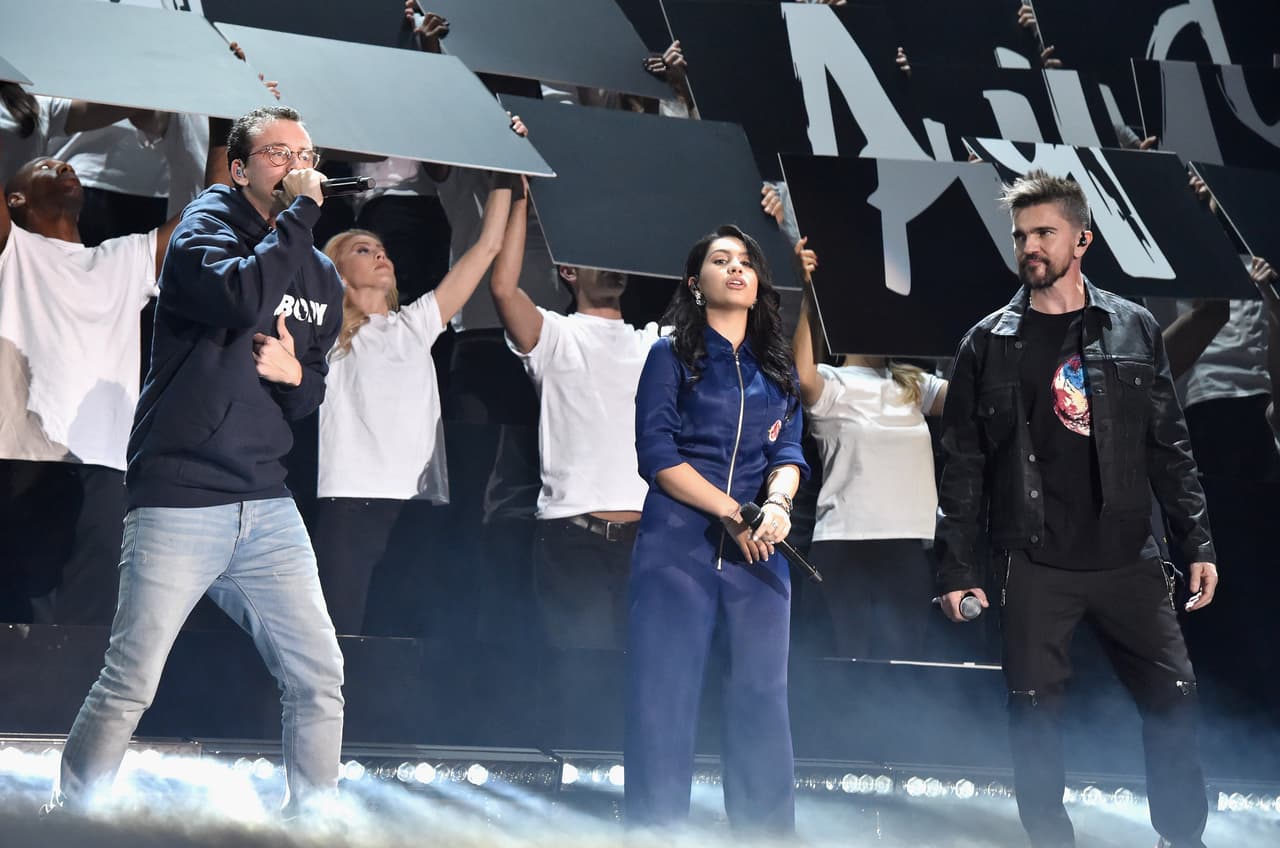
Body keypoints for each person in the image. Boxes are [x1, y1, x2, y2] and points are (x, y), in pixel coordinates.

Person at [51, 105, 345, 815]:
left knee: (318, 676)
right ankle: (74, 819)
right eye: (279, 154)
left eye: (305, 155)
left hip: (267, 504)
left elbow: (312, 393)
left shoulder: (322, 276)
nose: (297, 165)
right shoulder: (203, 229)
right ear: (240, 170)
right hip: (181, 495)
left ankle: (312, 824)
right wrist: (300, 215)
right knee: (131, 680)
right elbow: (240, 295)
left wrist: (295, 377)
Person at [936, 170, 1218, 848]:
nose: (1029, 247)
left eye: (1044, 233)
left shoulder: (1134, 327)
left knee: (1174, 697)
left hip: (1127, 553)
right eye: (1021, 236)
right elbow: (963, 468)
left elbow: (1168, 445)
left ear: (1082, 239)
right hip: (1035, 557)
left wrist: (1197, 543)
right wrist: (956, 569)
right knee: (1033, 713)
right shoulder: (987, 344)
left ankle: (1183, 837)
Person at [625, 225, 807, 832]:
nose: (736, 269)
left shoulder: (777, 369)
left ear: (758, 284)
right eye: (720, 260)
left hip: (759, 554)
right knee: (663, 701)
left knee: (762, 700)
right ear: (695, 283)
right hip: (678, 549)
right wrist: (731, 512)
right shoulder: (670, 355)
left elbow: (789, 454)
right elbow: (657, 454)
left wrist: (777, 506)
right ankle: (654, 835)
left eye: (746, 262)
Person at [0, 106, 191, 624]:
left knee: (86, 624)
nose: (63, 167)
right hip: (20, 458)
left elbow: (211, 210)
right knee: (12, 619)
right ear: (14, 199)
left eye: (64, 164)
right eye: (45, 165)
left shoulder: (123, 259)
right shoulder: (12, 249)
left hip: (105, 467)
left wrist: (225, 121)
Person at [314, 170, 518, 635]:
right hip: (351, 501)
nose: (379, 254)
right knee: (339, 636)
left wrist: (503, 174)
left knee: (403, 634)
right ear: (337, 274)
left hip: (416, 504)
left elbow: (487, 247)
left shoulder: (416, 323)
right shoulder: (328, 332)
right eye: (362, 250)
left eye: (381, 249)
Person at [790, 238, 948, 659]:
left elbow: (971, 394)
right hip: (845, 543)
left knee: (903, 665)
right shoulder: (830, 382)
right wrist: (810, 295)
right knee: (846, 665)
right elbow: (802, 376)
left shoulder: (914, 384)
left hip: (907, 544)